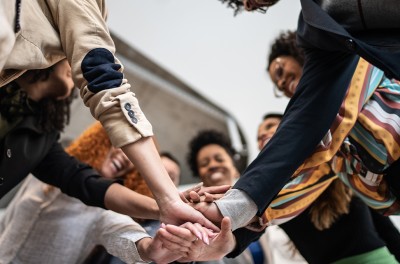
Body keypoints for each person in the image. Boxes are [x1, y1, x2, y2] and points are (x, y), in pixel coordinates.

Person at [0, 0, 215, 231]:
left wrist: (163, 206)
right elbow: (103, 76)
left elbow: (86, 183)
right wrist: (169, 199)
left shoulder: (40, 141)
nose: (69, 54)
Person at [198, 0, 400, 234]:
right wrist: (232, 207)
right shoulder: (325, 139)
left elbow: (316, 123)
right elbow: (308, 176)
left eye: (280, 71)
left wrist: (237, 202)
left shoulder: (356, 55)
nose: (282, 83)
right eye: (278, 85)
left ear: (298, 53)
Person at [0, 121, 209, 264]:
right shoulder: (46, 172)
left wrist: (146, 248)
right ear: (103, 138)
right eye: (124, 146)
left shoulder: (103, 211)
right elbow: (6, 219)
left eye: (135, 161)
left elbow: (123, 231)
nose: (128, 158)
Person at [186, 129, 273, 264]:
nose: (213, 165)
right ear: (199, 175)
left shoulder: (261, 203)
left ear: (234, 168)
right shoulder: (196, 215)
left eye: (219, 159)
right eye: (204, 164)